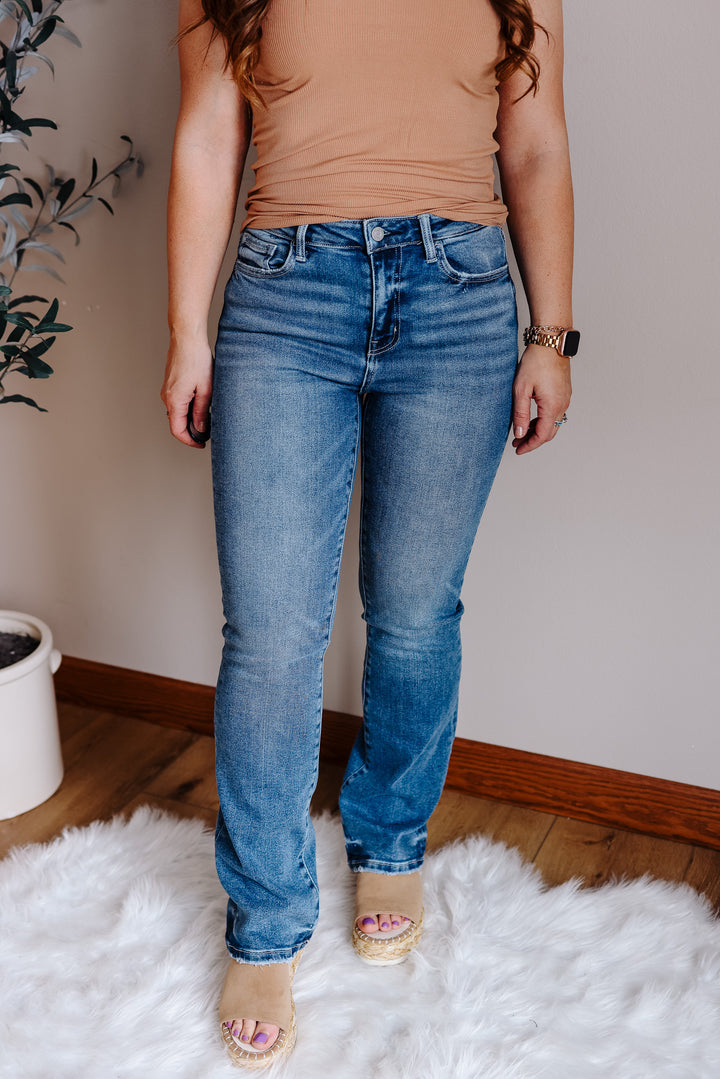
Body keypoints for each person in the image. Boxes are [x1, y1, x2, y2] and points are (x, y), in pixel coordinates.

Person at [161, 0, 576, 1067]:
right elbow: (208, 132)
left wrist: (551, 334)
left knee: (415, 610)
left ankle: (390, 840)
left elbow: (534, 141)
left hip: (460, 292)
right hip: (284, 294)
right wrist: (187, 334)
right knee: (269, 634)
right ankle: (265, 918)